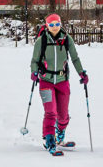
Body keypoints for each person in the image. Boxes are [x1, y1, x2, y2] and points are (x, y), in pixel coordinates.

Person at [30, 13, 88, 154]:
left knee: (63, 116)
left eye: (57, 24)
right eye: (51, 25)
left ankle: (59, 136)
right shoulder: (41, 41)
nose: (54, 27)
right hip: (46, 81)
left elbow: (74, 58)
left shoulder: (67, 39)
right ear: (47, 26)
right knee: (51, 112)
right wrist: (34, 72)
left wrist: (81, 73)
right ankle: (49, 139)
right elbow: (34, 60)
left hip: (62, 81)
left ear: (60, 24)